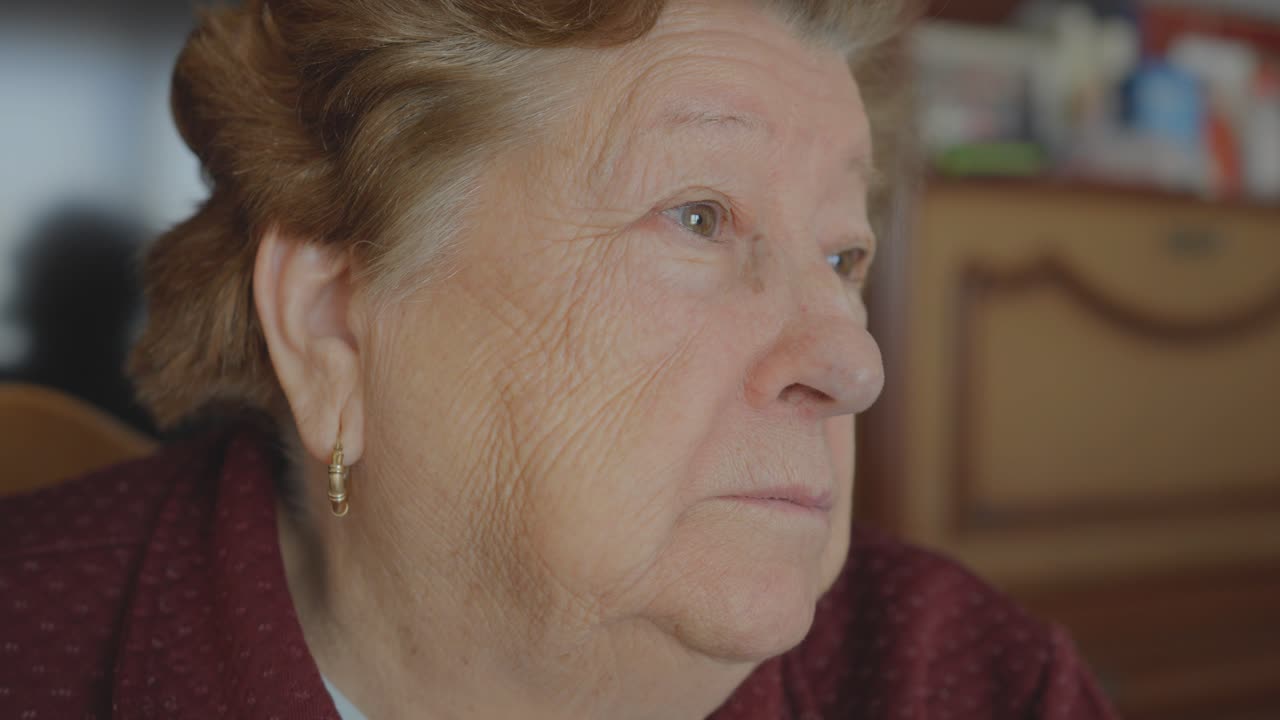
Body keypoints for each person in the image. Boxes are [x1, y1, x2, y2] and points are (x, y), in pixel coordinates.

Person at [0, 1, 1120, 718]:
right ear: (333, 325)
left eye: (841, 254)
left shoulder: (964, 680)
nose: (851, 361)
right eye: (697, 216)